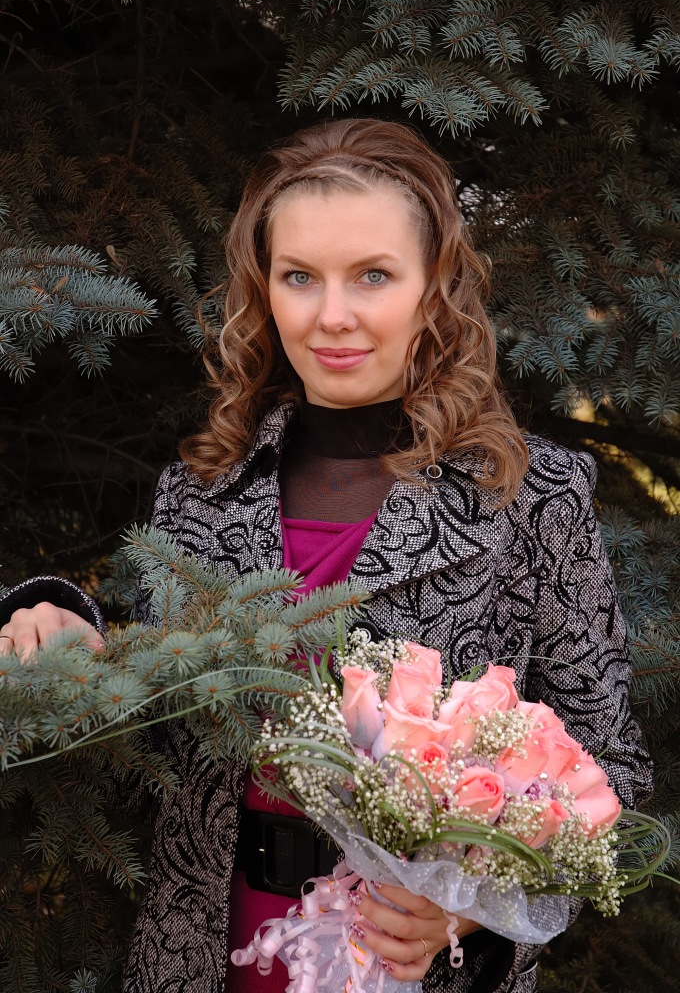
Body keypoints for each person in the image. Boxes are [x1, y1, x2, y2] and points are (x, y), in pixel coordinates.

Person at [0, 118, 653, 993]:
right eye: (299, 276)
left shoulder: (533, 497)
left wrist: (468, 911)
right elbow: (151, 737)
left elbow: (612, 775)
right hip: (207, 957)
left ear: (435, 288)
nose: (332, 316)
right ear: (263, 288)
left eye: (373, 275)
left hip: (408, 963)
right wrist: (63, 632)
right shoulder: (202, 490)